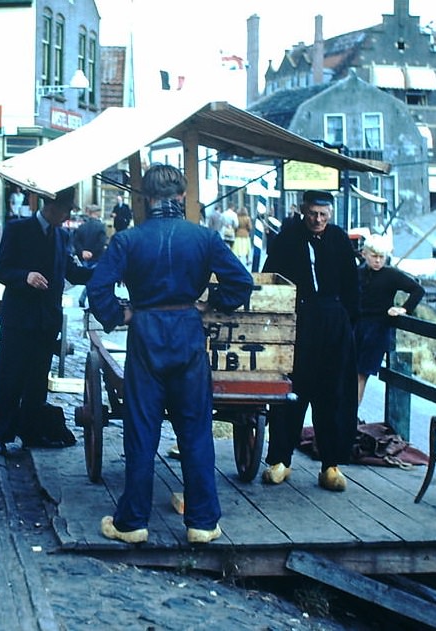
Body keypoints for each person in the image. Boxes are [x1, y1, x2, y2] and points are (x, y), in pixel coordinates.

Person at [87, 163, 253, 545]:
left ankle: (132, 523)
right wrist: (210, 302)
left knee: (142, 431)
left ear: (146, 200)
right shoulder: (204, 238)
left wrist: (120, 314)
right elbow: (241, 283)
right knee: (195, 430)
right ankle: (202, 522)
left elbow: (98, 290)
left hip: (145, 334)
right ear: (181, 197)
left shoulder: (128, 240)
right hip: (187, 334)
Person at [261, 190, 358, 492]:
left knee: (333, 395)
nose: (317, 220)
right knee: (292, 393)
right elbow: (270, 278)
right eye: (313, 214)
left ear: (330, 215)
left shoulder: (340, 240)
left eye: (323, 215)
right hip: (298, 323)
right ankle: (281, 460)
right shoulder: (287, 238)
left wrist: (346, 322)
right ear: (303, 211)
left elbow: (353, 286)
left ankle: (330, 465)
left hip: (333, 323)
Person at [0, 186, 93, 456]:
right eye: (67, 210)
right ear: (52, 207)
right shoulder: (18, 229)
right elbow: (3, 270)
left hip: (47, 323)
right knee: (10, 379)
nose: (68, 215)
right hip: (19, 320)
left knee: (36, 383)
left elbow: (73, 272)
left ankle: (30, 432)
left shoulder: (62, 235)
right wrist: (26, 277)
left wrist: (105, 270)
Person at [354, 235, 425, 407]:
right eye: (374, 256)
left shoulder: (392, 275)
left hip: (377, 329)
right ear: (364, 254)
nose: (378, 261)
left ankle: (351, 417)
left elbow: (418, 290)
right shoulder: (357, 273)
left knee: (361, 374)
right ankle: (347, 417)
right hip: (356, 327)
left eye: (381, 257)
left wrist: (404, 308)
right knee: (348, 373)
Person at [72, 203, 108, 308]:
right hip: (96, 257)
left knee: (89, 279)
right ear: (97, 213)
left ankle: (84, 298)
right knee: (93, 279)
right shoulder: (101, 227)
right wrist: (92, 252)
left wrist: (83, 251)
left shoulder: (82, 227)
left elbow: (76, 241)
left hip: (84, 257)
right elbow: (101, 243)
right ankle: (86, 299)